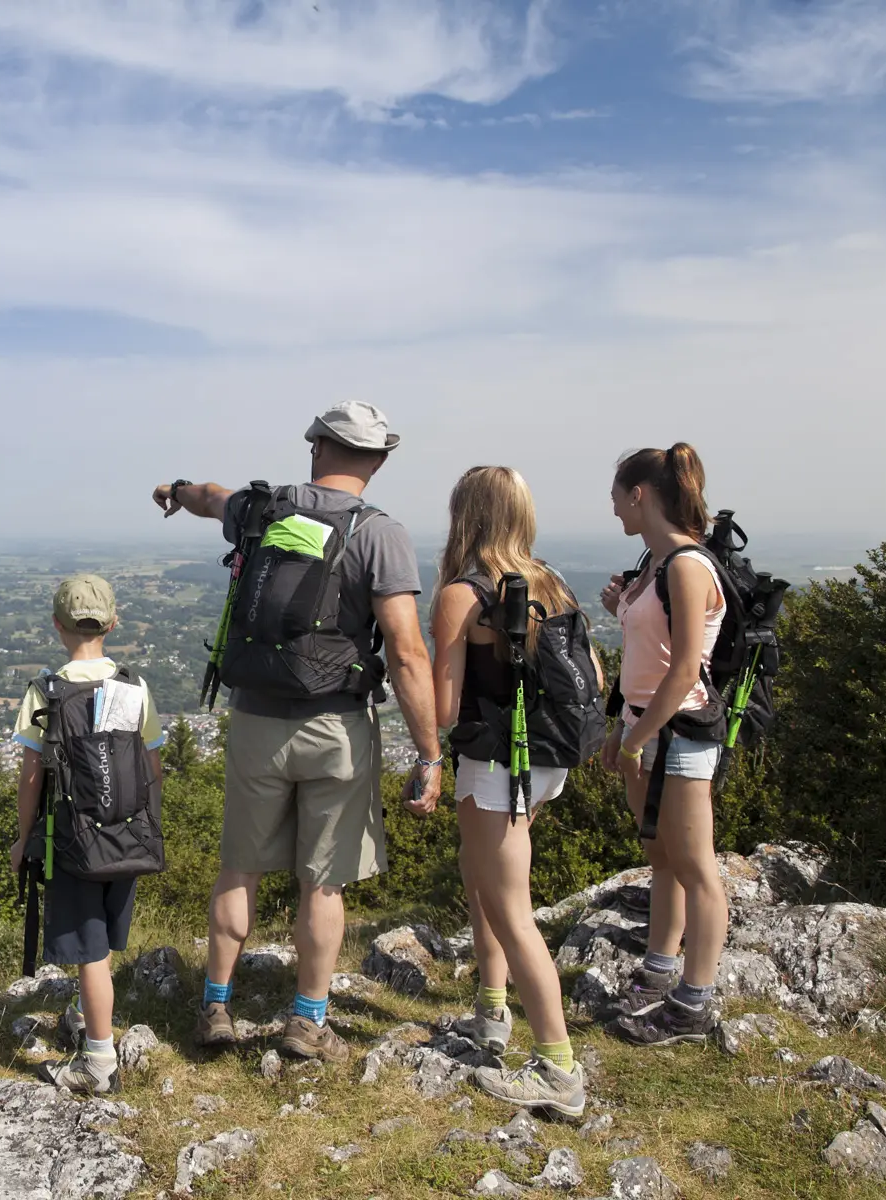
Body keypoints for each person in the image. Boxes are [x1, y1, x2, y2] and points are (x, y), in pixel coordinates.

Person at [152, 401, 441, 1063]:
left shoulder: (264, 508)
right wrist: (429, 752)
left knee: (239, 868)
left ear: (316, 446)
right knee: (323, 882)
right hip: (336, 726)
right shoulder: (380, 534)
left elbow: (209, 496)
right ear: (379, 461)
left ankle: (215, 1007)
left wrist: (174, 490)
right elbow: (406, 651)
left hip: (256, 717)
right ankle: (307, 1020)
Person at [428, 466, 591, 1116]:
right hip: (544, 761)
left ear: (464, 516)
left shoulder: (463, 594)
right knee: (480, 877)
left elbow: (445, 709)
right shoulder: (550, 581)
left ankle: (558, 1068)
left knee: (510, 908)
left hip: (495, 766)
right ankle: (491, 1011)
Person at [9, 573, 166, 1094]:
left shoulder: (45, 692)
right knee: (102, 941)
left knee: (91, 952)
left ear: (57, 625)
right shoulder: (134, 686)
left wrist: (23, 838)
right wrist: (144, 828)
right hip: (128, 835)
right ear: (112, 623)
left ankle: (98, 1061)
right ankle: (84, 1012)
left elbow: (32, 779)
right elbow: (152, 767)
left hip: (72, 843)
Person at [600, 444, 729, 1046]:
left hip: (680, 732)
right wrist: (622, 727)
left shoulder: (686, 566)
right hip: (646, 725)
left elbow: (683, 673)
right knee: (662, 857)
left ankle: (693, 1004)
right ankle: (658, 969)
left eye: (616, 495)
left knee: (696, 866)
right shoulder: (654, 563)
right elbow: (647, 658)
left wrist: (635, 739)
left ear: (639, 494)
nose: (612, 506)